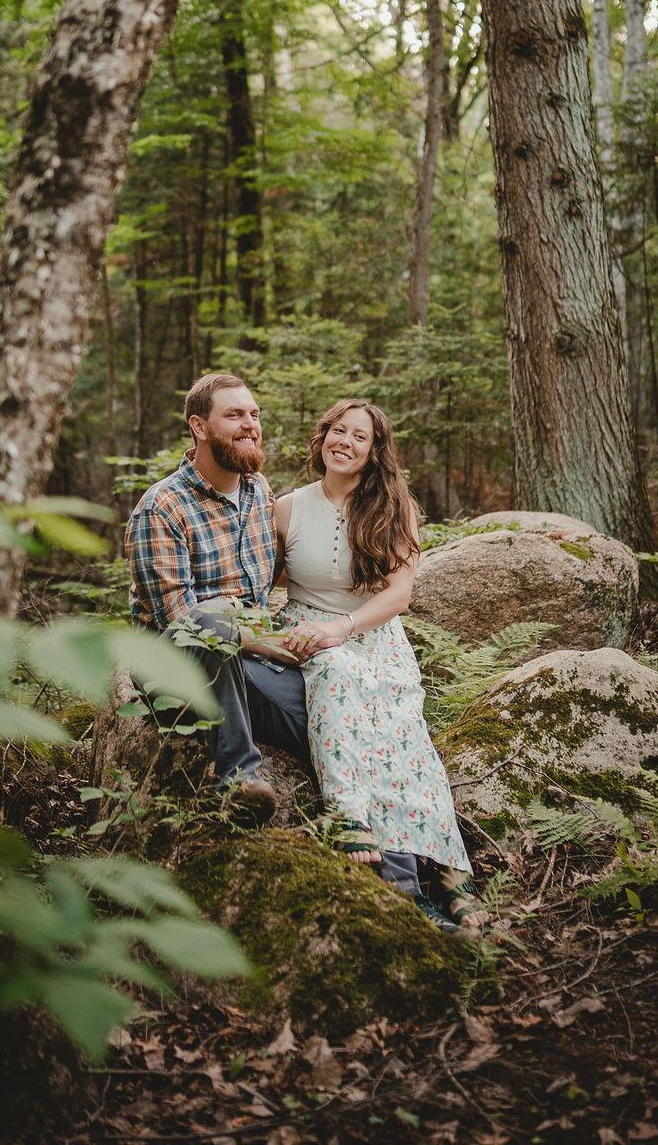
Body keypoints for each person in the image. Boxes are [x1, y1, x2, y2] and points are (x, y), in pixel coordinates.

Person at [123, 376, 470, 931]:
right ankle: (239, 779)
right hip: (183, 669)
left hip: (255, 663)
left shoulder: (258, 494)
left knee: (356, 713)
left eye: (254, 414)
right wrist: (286, 644)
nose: (250, 425)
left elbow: (282, 582)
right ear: (198, 427)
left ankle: (409, 893)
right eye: (235, 415)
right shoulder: (162, 507)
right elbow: (182, 626)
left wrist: (312, 637)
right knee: (211, 619)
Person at [272, 398, 484, 934]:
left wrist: (344, 627)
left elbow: (400, 594)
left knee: (405, 737)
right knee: (337, 674)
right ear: (321, 439)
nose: (345, 442)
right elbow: (262, 583)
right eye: (337, 431)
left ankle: (452, 871)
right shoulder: (287, 507)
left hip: (374, 634)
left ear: (374, 451)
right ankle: (350, 817)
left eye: (359, 436)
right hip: (309, 629)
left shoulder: (395, 507)